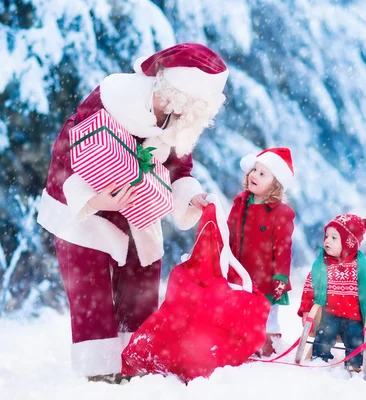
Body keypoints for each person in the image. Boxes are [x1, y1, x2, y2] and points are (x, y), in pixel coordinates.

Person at [36, 43, 229, 381]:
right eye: (193, 105)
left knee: (141, 293)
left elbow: (179, 167)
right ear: (176, 91)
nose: (192, 114)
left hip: (137, 215)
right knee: (91, 298)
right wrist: (94, 201)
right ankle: (98, 376)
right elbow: (67, 149)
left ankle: (136, 367)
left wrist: (190, 197)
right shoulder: (113, 99)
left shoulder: (175, 119)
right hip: (85, 215)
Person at [227, 147, 296, 357]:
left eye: (262, 173)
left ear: (275, 184)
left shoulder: (281, 213)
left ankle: (268, 344)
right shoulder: (241, 203)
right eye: (254, 170)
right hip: (240, 267)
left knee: (267, 311)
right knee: (240, 308)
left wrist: (280, 275)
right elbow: (230, 231)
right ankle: (241, 343)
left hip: (265, 273)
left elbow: (283, 247)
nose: (254, 175)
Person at [297, 214, 366, 372]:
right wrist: (306, 311)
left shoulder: (361, 268)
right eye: (327, 236)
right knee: (324, 334)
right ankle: (319, 361)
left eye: (334, 237)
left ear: (349, 243)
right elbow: (309, 288)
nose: (327, 241)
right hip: (329, 315)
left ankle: (354, 365)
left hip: (354, 317)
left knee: (356, 337)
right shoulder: (322, 266)